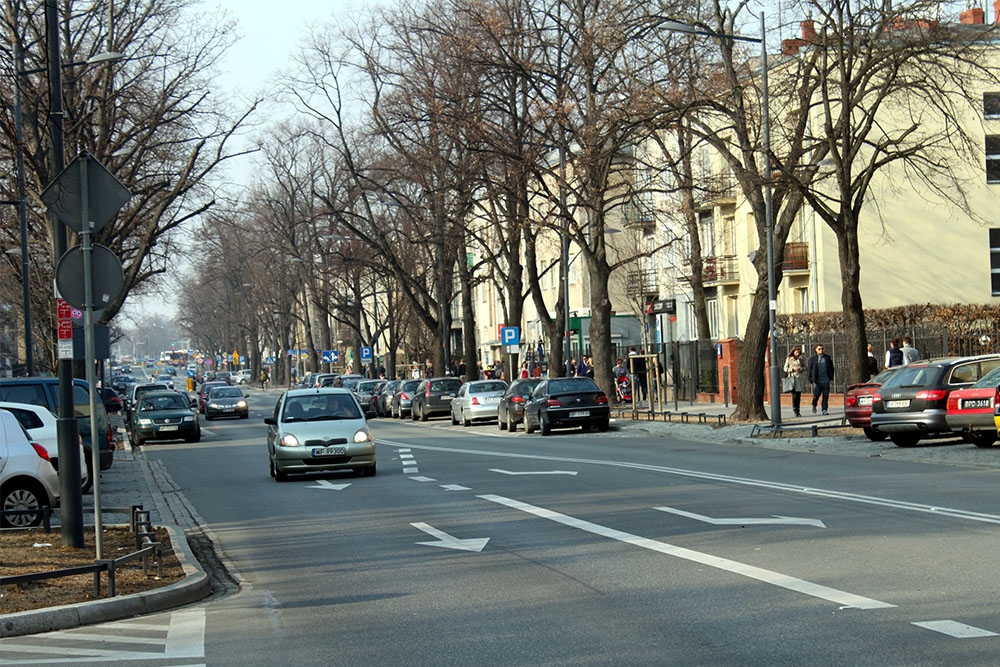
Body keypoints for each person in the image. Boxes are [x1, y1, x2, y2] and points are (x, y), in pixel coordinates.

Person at [806, 344, 835, 415]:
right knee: (816, 395)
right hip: (817, 381)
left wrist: (830, 377)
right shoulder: (813, 359)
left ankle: (824, 409)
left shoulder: (827, 358)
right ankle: (814, 404)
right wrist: (810, 378)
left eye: (822, 349)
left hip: (826, 380)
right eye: (819, 349)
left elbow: (831, 368)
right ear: (816, 350)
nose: (821, 350)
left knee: (825, 396)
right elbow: (809, 369)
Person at [783, 347, 806, 417]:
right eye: (796, 352)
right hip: (793, 378)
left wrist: (800, 368)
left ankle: (798, 409)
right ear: (793, 352)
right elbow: (785, 368)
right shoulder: (789, 359)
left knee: (798, 395)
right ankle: (795, 409)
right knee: (795, 395)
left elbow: (805, 367)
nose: (797, 354)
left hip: (799, 378)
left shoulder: (801, 359)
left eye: (799, 352)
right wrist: (792, 369)